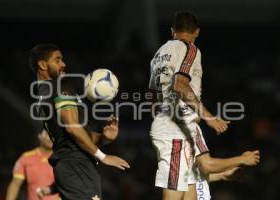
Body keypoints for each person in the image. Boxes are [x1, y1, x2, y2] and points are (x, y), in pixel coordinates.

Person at [148, 11, 260, 200]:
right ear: (197, 32)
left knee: (192, 189)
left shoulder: (159, 54)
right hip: (175, 128)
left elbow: (151, 96)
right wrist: (210, 117)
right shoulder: (189, 49)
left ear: (172, 30)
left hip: (177, 125)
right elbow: (180, 85)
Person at [29, 43, 130, 200]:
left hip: (73, 166)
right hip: (76, 166)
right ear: (42, 64)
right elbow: (72, 128)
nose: (64, 64)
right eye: (57, 60)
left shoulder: (44, 93)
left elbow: (70, 136)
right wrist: (103, 157)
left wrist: (103, 138)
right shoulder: (58, 87)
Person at [6, 129, 60, 200]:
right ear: (39, 136)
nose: (51, 138)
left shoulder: (63, 159)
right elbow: (15, 184)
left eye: (54, 135)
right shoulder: (26, 158)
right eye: (48, 134)